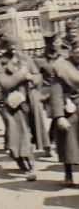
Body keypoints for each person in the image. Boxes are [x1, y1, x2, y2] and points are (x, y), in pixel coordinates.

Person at [0, 36, 41, 181]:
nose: (13, 49)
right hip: (13, 103)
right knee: (22, 133)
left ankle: (21, 157)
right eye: (9, 47)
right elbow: (6, 83)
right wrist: (23, 74)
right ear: (4, 48)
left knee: (31, 132)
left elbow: (38, 75)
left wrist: (33, 78)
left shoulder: (25, 59)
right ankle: (29, 165)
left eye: (15, 46)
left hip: (30, 99)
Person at [50, 38, 79, 186]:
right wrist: (59, 116)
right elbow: (56, 94)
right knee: (68, 142)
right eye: (76, 49)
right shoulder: (61, 67)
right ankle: (68, 175)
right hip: (71, 109)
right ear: (72, 51)